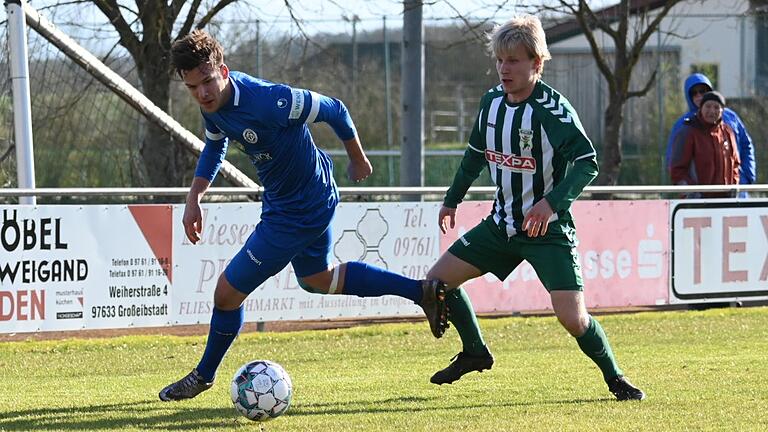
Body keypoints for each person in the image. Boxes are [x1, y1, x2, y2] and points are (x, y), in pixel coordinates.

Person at [159, 30, 448, 401]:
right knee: (317, 278)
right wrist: (194, 196)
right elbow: (215, 145)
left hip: (297, 211)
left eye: (208, 82)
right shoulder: (211, 107)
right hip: (296, 200)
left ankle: (203, 375)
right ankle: (421, 291)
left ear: (224, 71)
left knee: (226, 294)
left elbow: (335, 110)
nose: (202, 93)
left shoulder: (270, 101)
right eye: (193, 87)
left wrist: (358, 157)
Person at [424, 15, 646, 401]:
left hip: (548, 232)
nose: (504, 69)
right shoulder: (491, 103)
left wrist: (551, 203)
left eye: (514, 60)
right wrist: (452, 198)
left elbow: (587, 161)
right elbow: (474, 155)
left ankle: (616, 377)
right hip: (500, 226)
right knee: (436, 284)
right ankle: (475, 351)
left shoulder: (551, 109)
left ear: (536, 63)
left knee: (573, 319)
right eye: (500, 60)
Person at [665, 73, 755, 196]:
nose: (699, 96)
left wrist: (745, 180)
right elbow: (674, 163)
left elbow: (744, 148)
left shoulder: (729, 123)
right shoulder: (684, 126)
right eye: (694, 93)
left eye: (703, 91)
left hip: (734, 195)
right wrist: (691, 192)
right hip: (700, 201)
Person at [670, 91, 740, 198]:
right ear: (701, 108)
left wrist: (733, 187)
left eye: (716, 107)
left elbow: (735, 164)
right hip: (697, 202)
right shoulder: (688, 132)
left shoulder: (728, 132)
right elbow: (677, 169)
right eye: (708, 106)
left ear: (722, 111)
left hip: (725, 201)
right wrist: (692, 192)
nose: (712, 111)